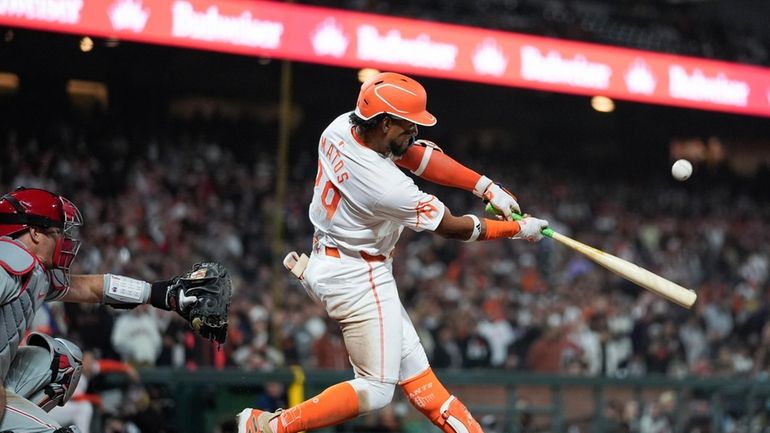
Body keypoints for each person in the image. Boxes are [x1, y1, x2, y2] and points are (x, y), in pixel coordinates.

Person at [237, 72, 549, 433]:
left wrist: (487, 187)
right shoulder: (386, 187)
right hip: (356, 276)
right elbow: (453, 227)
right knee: (376, 390)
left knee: (420, 380)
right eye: (408, 125)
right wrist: (518, 230)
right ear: (385, 124)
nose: (414, 132)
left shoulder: (340, 127)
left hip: (339, 260)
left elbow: (416, 156)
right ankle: (269, 427)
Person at [0, 187, 211, 433]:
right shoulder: (7, 261)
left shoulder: (36, 271)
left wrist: (162, 294)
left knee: (63, 363)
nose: (62, 240)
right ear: (35, 233)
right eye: (57, 231)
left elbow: (90, 288)